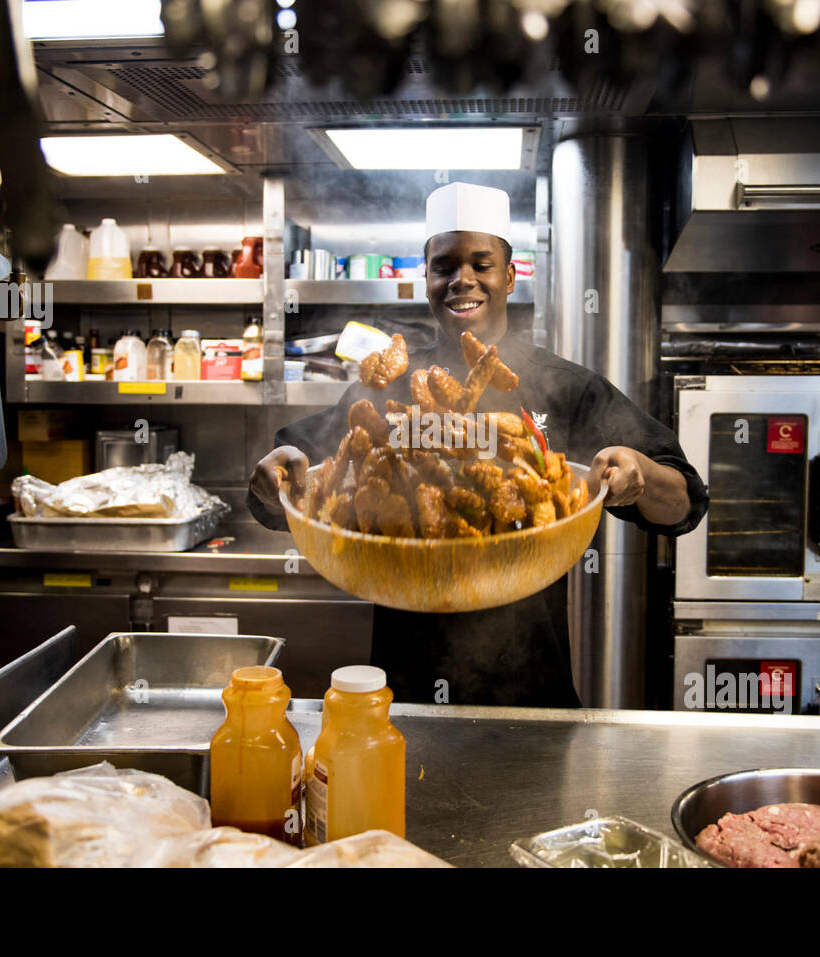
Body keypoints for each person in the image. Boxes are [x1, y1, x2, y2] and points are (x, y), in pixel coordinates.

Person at [248, 182, 709, 707]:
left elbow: (685, 501)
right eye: (444, 265)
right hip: (404, 692)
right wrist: (276, 474)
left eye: (481, 264)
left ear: (510, 277)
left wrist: (639, 474)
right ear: (426, 279)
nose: (461, 279)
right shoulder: (387, 389)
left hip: (531, 689)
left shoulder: (568, 388)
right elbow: (286, 483)